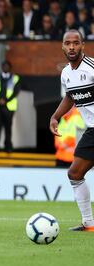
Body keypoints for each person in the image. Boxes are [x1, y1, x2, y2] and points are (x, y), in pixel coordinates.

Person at [49, 29, 94, 231]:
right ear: (63, 46)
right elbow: (70, 97)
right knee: (75, 173)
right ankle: (89, 223)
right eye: (68, 43)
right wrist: (56, 116)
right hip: (92, 130)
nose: (72, 47)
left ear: (83, 45)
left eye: (76, 43)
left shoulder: (92, 67)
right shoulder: (66, 73)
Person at [0, 61, 21, 153]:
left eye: (7, 66)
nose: (5, 68)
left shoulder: (15, 78)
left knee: (8, 127)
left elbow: (16, 92)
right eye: (4, 66)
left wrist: (6, 101)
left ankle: (8, 146)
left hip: (9, 107)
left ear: (10, 68)